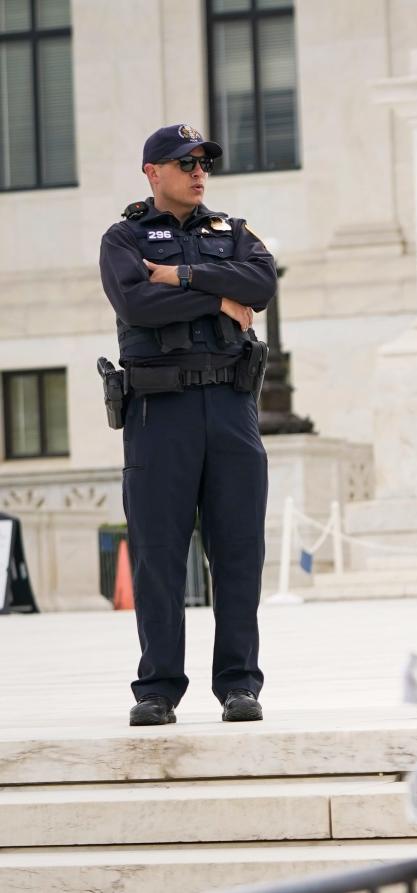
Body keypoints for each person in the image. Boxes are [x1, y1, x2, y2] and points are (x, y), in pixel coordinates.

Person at [99, 124, 276, 726]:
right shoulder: (123, 238)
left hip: (231, 408)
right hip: (158, 412)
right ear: (152, 172)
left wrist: (183, 277)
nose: (199, 172)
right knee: (158, 556)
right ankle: (157, 690)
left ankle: (238, 684)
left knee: (238, 552)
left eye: (204, 162)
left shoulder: (236, 233)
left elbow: (261, 284)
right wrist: (218, 299)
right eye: (184, 163)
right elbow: (135, 305)